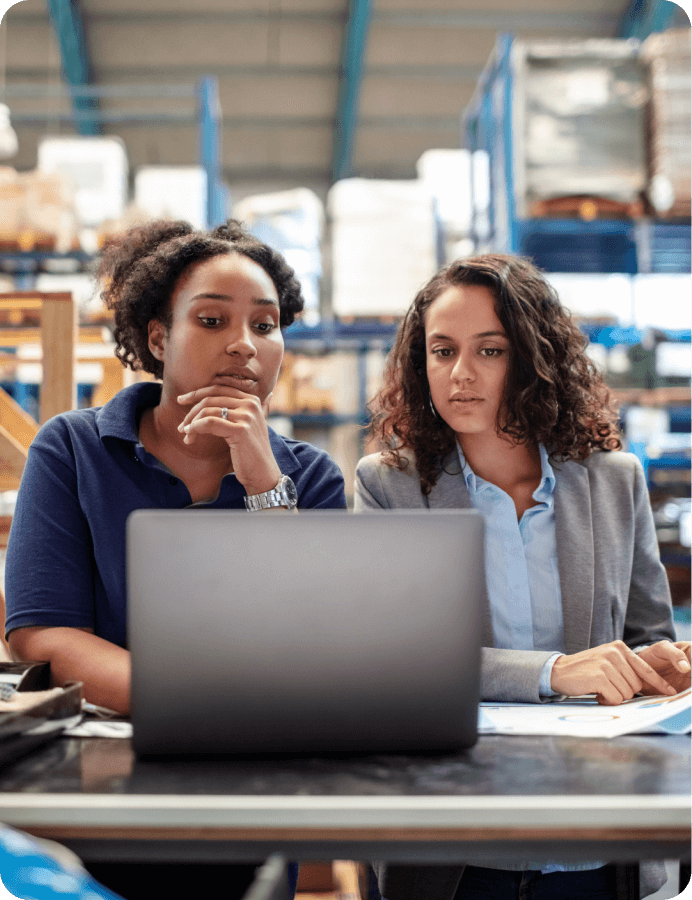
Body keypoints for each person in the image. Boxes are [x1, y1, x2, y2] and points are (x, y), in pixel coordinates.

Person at [4, 218, 347, 899]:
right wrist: (191, 705)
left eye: (265, 325)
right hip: (95, 785)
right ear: (158, 338)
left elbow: (315, 647)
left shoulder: (312, 477)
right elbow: (41, 631)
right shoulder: (71, 449)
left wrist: (263, 484)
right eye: (213, 320)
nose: (244, 346)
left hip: (253, 784)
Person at [354, 254, 690, 900]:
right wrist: (553, 672)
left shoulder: (615, 482)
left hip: (597, 846)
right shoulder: (389, 486)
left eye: (490, 351)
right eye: (442, 351)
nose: (461, 374)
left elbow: (648, 638)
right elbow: (396, 666)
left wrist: (663, 669)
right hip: (454, 853)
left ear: (533, 359)